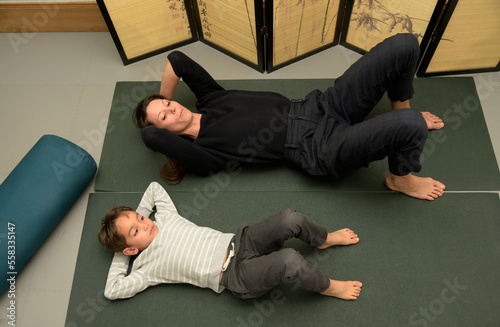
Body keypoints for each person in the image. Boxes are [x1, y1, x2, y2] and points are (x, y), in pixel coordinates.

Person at [133, 34, 445, 200]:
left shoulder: (211, 97)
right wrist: (155, 120)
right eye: (165, 115)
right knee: (413, 126)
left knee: (404, 46)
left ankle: (399, 106)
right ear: (169, 135)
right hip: (319, 148)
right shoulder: (205, 154)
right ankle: (400, 178)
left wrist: (164, 98)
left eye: (167, 104)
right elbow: (150, 136)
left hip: (324, 106)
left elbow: (177, 60)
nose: (172, 109)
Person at [99, 182, 362, 301]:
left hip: (240, 241)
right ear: (132, 248)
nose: (145, 223)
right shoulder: (146, 269)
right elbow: (112, 289)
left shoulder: (165, 218)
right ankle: (327, 287)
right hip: (236, 275)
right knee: (290, 260)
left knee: (289, 218)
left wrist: (134, 221)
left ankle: (323, 238)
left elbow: (154, 188)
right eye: (136, 231)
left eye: (139, 218)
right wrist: (126, 254)